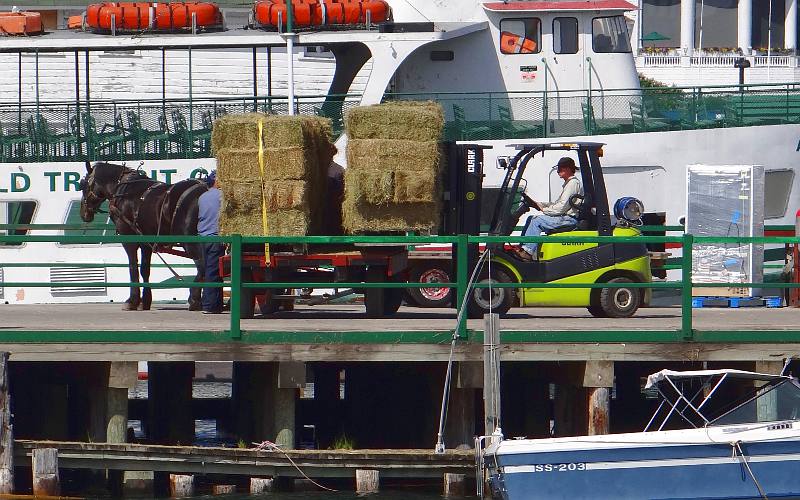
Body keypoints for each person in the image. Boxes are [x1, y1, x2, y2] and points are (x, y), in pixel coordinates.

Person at [511, 157, 583, 261]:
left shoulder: (572, 184)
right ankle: (523, 248)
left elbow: (561, 208)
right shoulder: (569, 184)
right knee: (531, 218)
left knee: (536, 220)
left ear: (567, 169)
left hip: (569, 218)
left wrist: (544, 210)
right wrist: (540, 204)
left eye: (560, 169)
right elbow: (557, 203)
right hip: (565, 217)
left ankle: (527, 252)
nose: (558, 171)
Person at [197, 170, 224, 314]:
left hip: (203, 237)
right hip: (215, 237)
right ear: (217, 181)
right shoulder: (222, 196)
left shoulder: (202, 197)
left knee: (209, 269)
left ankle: (215, 304)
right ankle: (209, 306)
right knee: (213, 272)